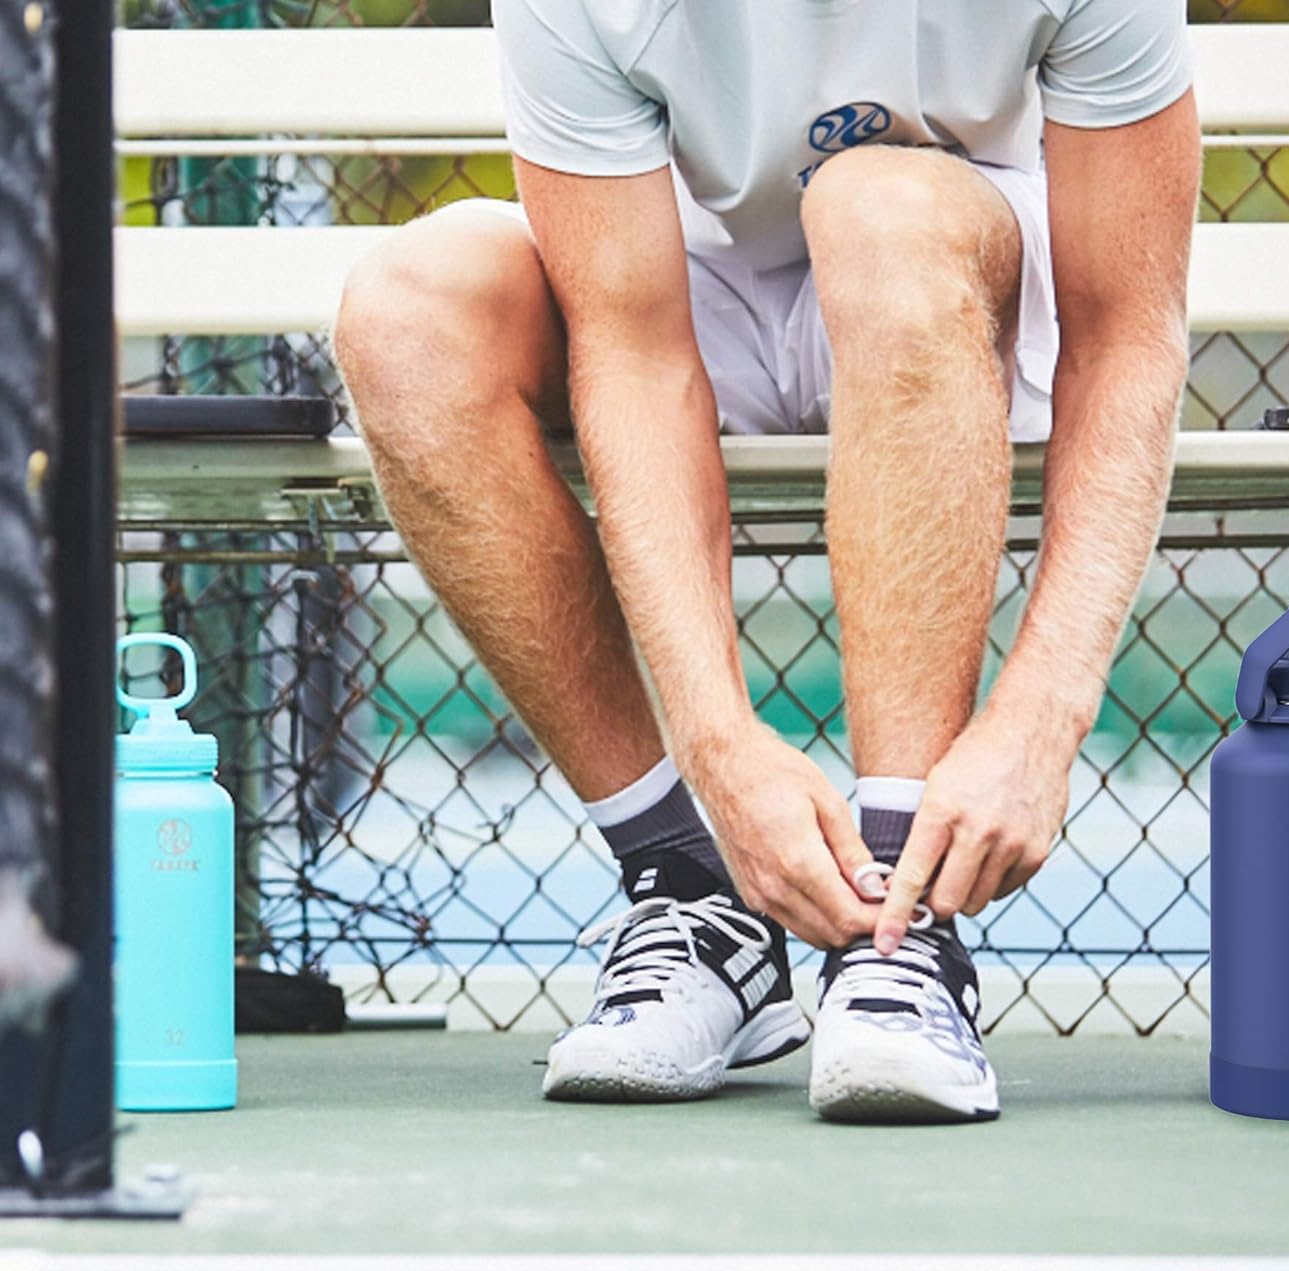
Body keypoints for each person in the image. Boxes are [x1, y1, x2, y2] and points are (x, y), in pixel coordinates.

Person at [334, 0, 1200, 1123]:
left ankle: (898, 935)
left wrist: (1042, 720)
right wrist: (720, 751)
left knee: (877, 202)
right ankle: (688, 893)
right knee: (407, 314)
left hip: (955, 278)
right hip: (690, 301)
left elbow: (1127, 333)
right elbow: (634, 354)